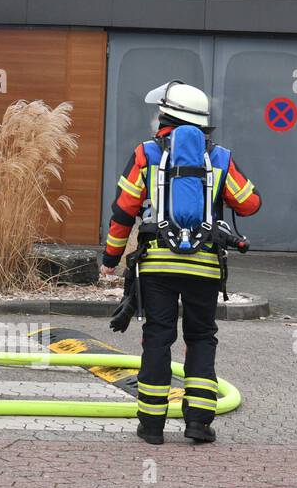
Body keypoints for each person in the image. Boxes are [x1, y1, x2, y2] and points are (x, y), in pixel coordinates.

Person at [100, 80, 260, 445]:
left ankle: (152, 426)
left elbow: (124, 210)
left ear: (167, 117)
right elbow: (250, 203)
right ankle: (199, 424)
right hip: (204, 267)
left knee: (158, 337)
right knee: (201, 337)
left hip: (157, 266)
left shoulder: (146, 154)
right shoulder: (219, 156)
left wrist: (111, 257)